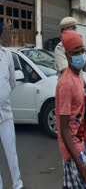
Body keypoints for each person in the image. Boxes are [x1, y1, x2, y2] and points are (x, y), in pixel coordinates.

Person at [56, 30, 86, 189]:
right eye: (76, 52)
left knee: (70, 186)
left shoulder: (78, 76)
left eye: (82, 50)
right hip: (73, 151)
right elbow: (63, 129)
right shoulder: (66, 84)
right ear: (67, 55)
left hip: (79, 143)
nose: (81, 55)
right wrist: (79, 164)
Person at [0, 45, 24, 189]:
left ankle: (17, 184)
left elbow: (12, 82)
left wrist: (4, 95)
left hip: (5, 112)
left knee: (11, 152)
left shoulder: (6, 54)